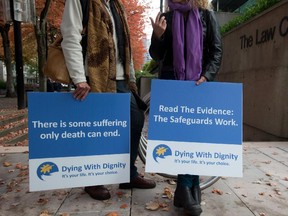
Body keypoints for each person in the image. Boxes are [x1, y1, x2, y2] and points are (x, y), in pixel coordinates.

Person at [60, 0, 156, 201]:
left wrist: (131, 79)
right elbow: (70, 37)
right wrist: (79, 78)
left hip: (121, 79)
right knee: (98, 130)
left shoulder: (116, 5)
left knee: (135, 119)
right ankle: (93, 181)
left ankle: (127, 175)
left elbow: (123, 45)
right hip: (95, 78)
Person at [149, 0, 222, 215]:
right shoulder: (167, 17)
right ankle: (190, 187)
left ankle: (185, 187)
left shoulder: (207, 16)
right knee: (181, 136)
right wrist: (158, 36)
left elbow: (216, 50)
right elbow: (156, 55)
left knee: (196, 136)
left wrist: (207, 76)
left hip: (199, 84)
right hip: (172, 83)